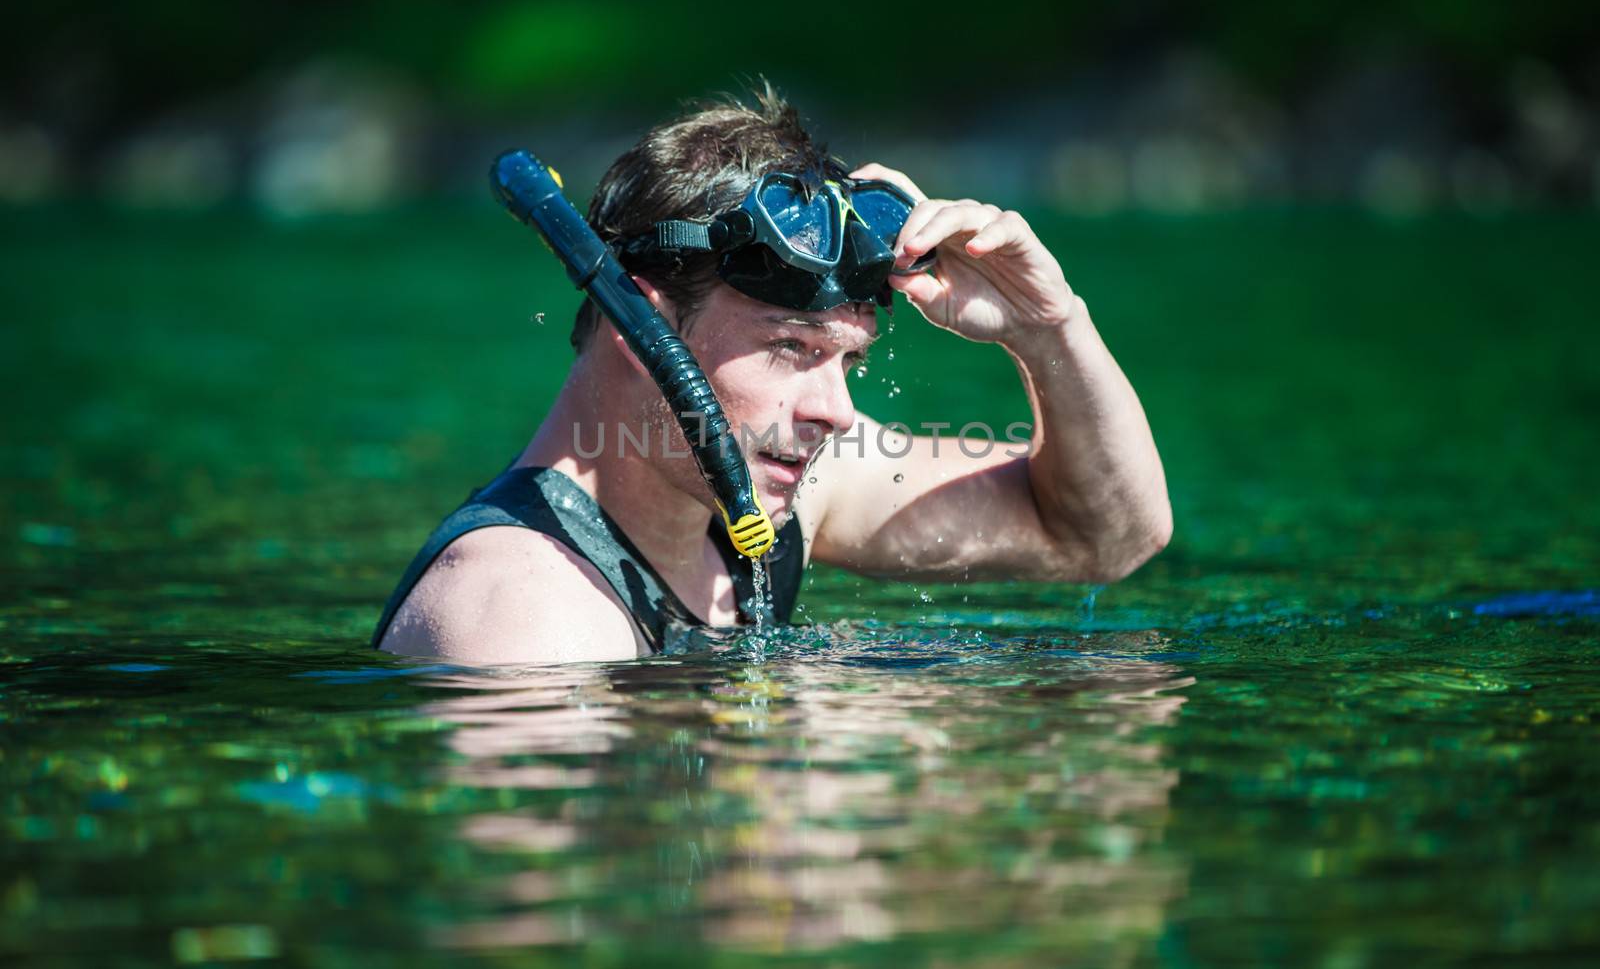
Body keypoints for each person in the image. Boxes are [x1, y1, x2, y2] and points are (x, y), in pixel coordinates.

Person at [373, 86, 1171, 663]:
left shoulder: (775, 499)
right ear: (636, 328)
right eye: (793, 349)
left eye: (848, 359)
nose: (836, 413)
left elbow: (1104, 536)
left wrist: (1048, 328)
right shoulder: (525, 620)